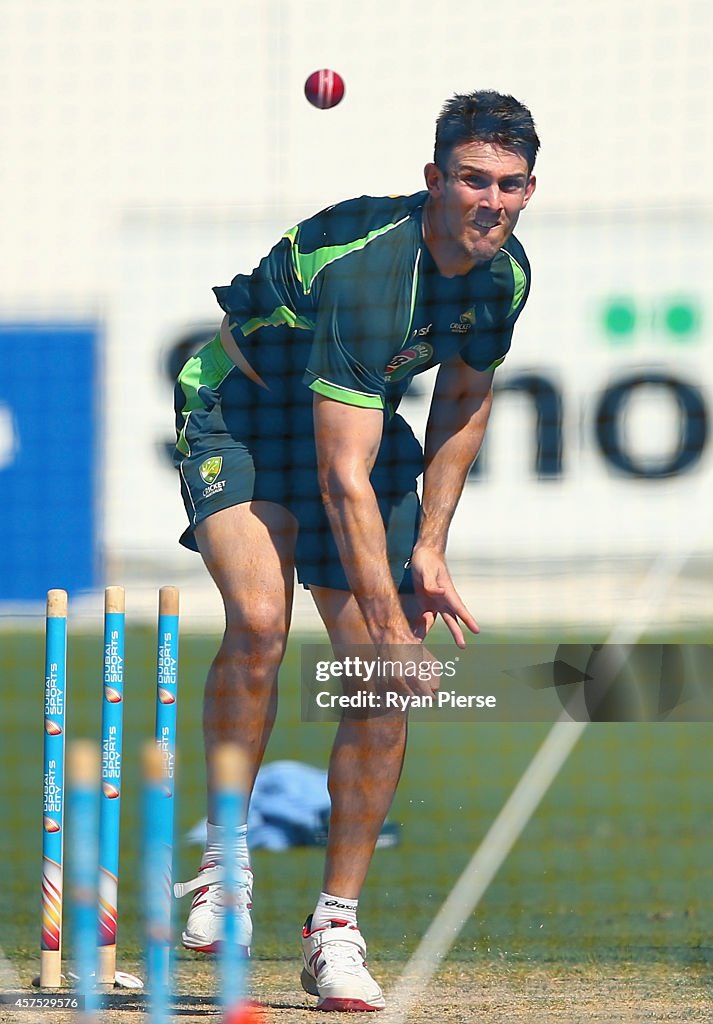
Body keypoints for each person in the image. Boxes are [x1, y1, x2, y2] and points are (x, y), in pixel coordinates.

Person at [172, 90, 539, 1012]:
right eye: (469, 180)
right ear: (433, 181)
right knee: (261, 622)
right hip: (246, 415)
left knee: (376, 676)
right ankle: (225, 864)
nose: (487, 201)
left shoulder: (505, 278)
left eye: (507, 184)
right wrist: (386, 623)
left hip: (358, 434)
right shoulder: (373, 271)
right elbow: (338, 478)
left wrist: (430, 550)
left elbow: (460, 401)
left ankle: (334, 925)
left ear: (528, 189)